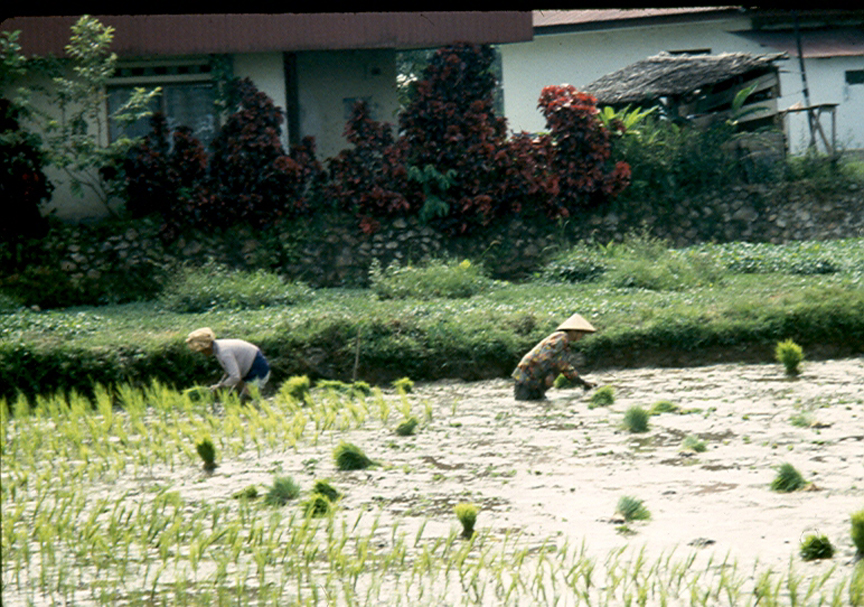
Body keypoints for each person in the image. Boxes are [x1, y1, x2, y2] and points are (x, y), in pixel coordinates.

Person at [511, 312, 596, 401]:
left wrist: (583, 383)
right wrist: (549, 374)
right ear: (574, 331)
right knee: (524, 403)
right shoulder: (561, 337)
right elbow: (545, 355)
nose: (581, 337)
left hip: (537, 381)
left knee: (536, 403)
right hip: (527, 377)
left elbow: (566, 368)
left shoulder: (565, 348)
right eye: (581, 334)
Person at [186, 327, 271, 398]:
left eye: (202, 351)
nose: (203, 354)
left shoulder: (224, 352)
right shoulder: (218, 348)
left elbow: (235, 377)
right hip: (247, 370)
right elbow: (229, 371)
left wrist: (221, 386)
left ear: (207, 347)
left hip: (257, 369)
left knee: (245, 401)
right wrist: (219, 384)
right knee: (233, 397)